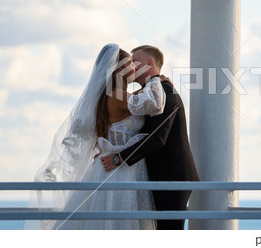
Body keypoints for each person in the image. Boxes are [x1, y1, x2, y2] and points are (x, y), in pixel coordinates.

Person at [31, 43, 168, 230]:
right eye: (130, 64)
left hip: (111, 164)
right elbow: (154, 104)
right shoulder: (118, 96)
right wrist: (155, 79)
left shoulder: (112, 95)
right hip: (120, 170)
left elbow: (136, 101)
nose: (135, 68)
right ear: (119, 69)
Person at [101, 45, 200, 230]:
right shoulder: (144, 95)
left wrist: (119, 157)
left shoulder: (164, 92)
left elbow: (158, 137)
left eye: (134, 61)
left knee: (168, 232)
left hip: (172, 174)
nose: (131, 66)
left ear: (150, 62)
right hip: (152, 174)